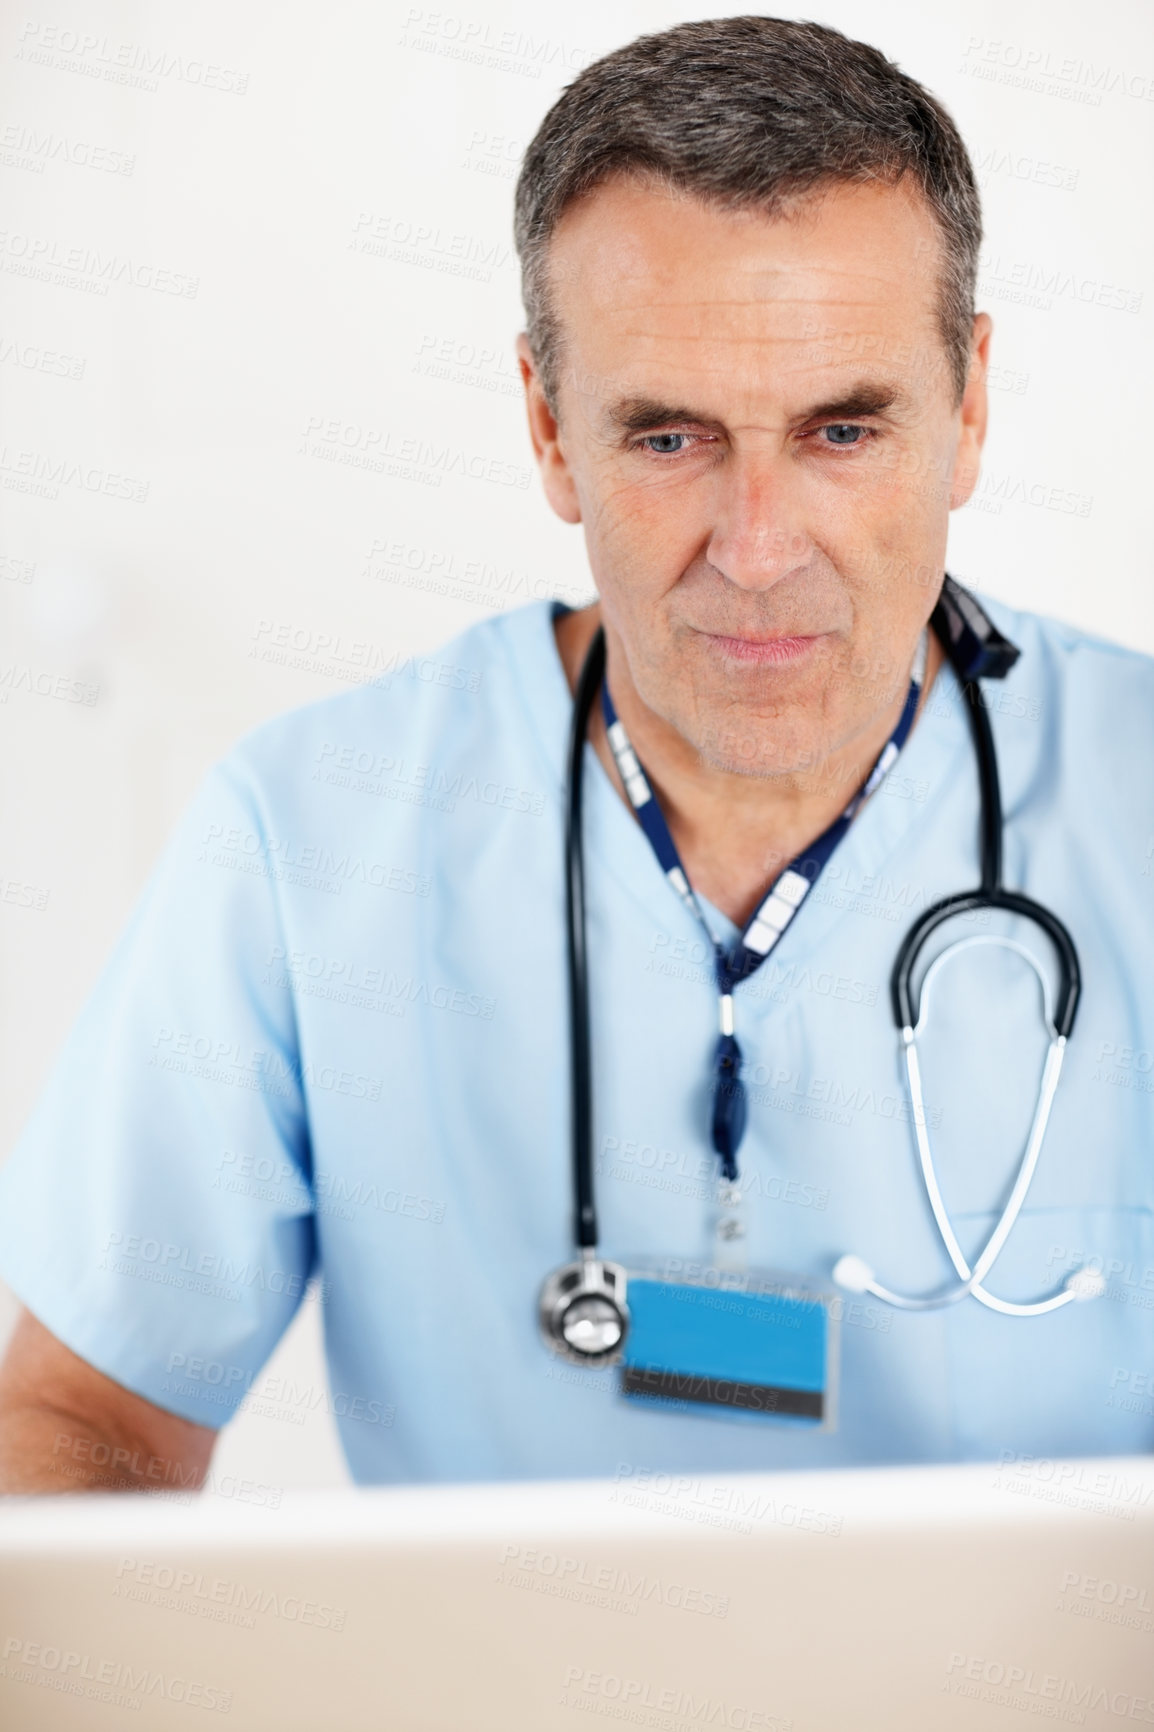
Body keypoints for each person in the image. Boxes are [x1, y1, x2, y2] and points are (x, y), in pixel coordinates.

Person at [0, 15, 1151, 1496]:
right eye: (667, 439)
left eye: (840, 432)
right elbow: (85, 1418)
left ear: (968, 407)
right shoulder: (312, 840)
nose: (753, 550)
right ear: (549, 427)